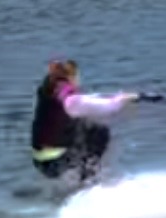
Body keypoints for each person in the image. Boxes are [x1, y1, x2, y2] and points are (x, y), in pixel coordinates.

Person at [30, 59, 142, 187]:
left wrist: (93, 99)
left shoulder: (48, 91)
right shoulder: (71, 101)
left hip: (40, 161)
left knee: (82, 125)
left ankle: (83, 177)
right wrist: (124, 98)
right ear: (72, 76)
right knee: (99, 131)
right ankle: (88, 182)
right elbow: (110, 108)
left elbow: (78, 103)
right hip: (55, 163)